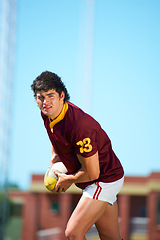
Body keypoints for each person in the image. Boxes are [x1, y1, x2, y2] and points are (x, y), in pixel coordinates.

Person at [31, 71, 124, 240]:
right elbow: (55, 134)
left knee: (73, 233)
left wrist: (70, 179)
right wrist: (55, 156)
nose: (45, 102)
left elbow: (93, 173)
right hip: (96, 179)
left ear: (61, 95)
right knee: (111, 237)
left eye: (50, 95)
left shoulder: (79, 126)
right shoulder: (48, 114)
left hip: (103, 179)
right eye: (40, 97)